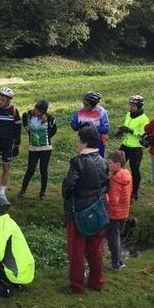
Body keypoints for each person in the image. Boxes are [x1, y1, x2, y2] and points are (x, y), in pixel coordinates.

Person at [62, 126, 110, 294]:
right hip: (97, 209)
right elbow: (107, 186)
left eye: (79, 140)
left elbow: (69, 186)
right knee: (95, 249)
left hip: (79, 212)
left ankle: (76, 285)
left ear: (84, 142)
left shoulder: (78, 162)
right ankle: (96, 281)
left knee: (76, 251)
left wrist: (66, 192)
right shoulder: (103, 162)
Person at [18, 100, 57, 199]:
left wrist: (45, 138)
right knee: (30, 169)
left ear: (44, 111)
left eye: (39, 110)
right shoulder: (29, 115)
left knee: (43, 170)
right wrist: (30, 133)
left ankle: (42, 193)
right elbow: (24, 120)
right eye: (36, 108)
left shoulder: (50, 119)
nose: (36, 111)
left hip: (45, 148)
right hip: (33, 148)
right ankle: (23, 190)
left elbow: (53, 130)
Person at [116, 95, 150, 200]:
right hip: (125, 145)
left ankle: (134, 193)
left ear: (139, 106)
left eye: (133, 105)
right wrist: (122, 130)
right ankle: (117, 188)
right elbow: (126, 127)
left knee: (134, 169)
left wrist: (130, 130)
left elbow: (143, 136)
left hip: (136, 147)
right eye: (130, 105)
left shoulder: (144, 119)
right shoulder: (128, 115)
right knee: (117, 165)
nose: (131, 107)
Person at [105, 151, 132, 270]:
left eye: (110, 163)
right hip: (124, 211)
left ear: (118, 164)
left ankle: (116, 263)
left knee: (113, 239)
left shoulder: (115, 180)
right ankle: (119, 260)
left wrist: (104, 195)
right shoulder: (126, 174)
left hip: (114, 213)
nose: (108, 166)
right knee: (117, 237)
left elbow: (113, 200)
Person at [70, 91, 110, 157]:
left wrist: (92, 127)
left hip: (97, 142)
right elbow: (73, 125)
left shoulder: (101, 112)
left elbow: (106, 128)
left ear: (93, 105)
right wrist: (80, 126)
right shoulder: (80, 111)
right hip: (83, 141)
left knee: (97, 163)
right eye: (83, 103)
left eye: (86, 105)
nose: (84, 106)